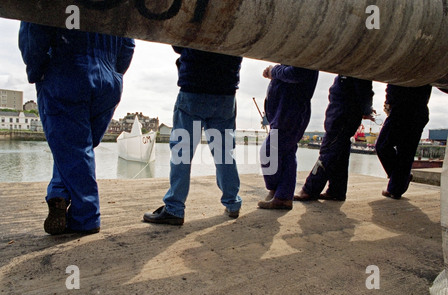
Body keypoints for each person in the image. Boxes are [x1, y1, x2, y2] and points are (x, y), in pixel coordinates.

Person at [19, 22, 135, 235]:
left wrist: (37, 71)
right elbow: (128, 42)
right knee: (77, 149)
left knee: (73, 148)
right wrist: (113, 72)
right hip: (108, 81)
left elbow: (33, 28)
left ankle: (86, 218)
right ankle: (59, 191)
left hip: (66, 71)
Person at [143, 47, 243, 225]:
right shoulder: (238, 20)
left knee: (182, 153)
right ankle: (232, 203)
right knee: (224, 153)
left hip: (193, 89)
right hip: (225, 93)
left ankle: (174, 209)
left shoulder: (200, 18)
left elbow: (178, 43)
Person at [294, 75, 374, 202]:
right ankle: (336, 191)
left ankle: (309, 190)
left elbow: (364, 87)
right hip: (341, 117)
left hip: (341, 118)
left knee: (327, 152)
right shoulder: (347, 73)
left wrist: (366, 109)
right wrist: (366, 109)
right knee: (340, 155)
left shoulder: (352, 69)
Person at [257, 64, 319, 210]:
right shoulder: (292, 58)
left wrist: (274, 71)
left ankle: (278, 191)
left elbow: (295, 73)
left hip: (290, 115)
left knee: (268, 152)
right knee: (287, 154)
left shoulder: (305, 56)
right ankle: (282, 195)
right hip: (283, 115)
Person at [375, 84, 432, 199]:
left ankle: (398, 183)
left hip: (402, 108)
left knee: (383, 146)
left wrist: (388, 101)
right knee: (405, 152)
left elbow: (393, 82)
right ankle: (398, 184)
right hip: (417, 110)